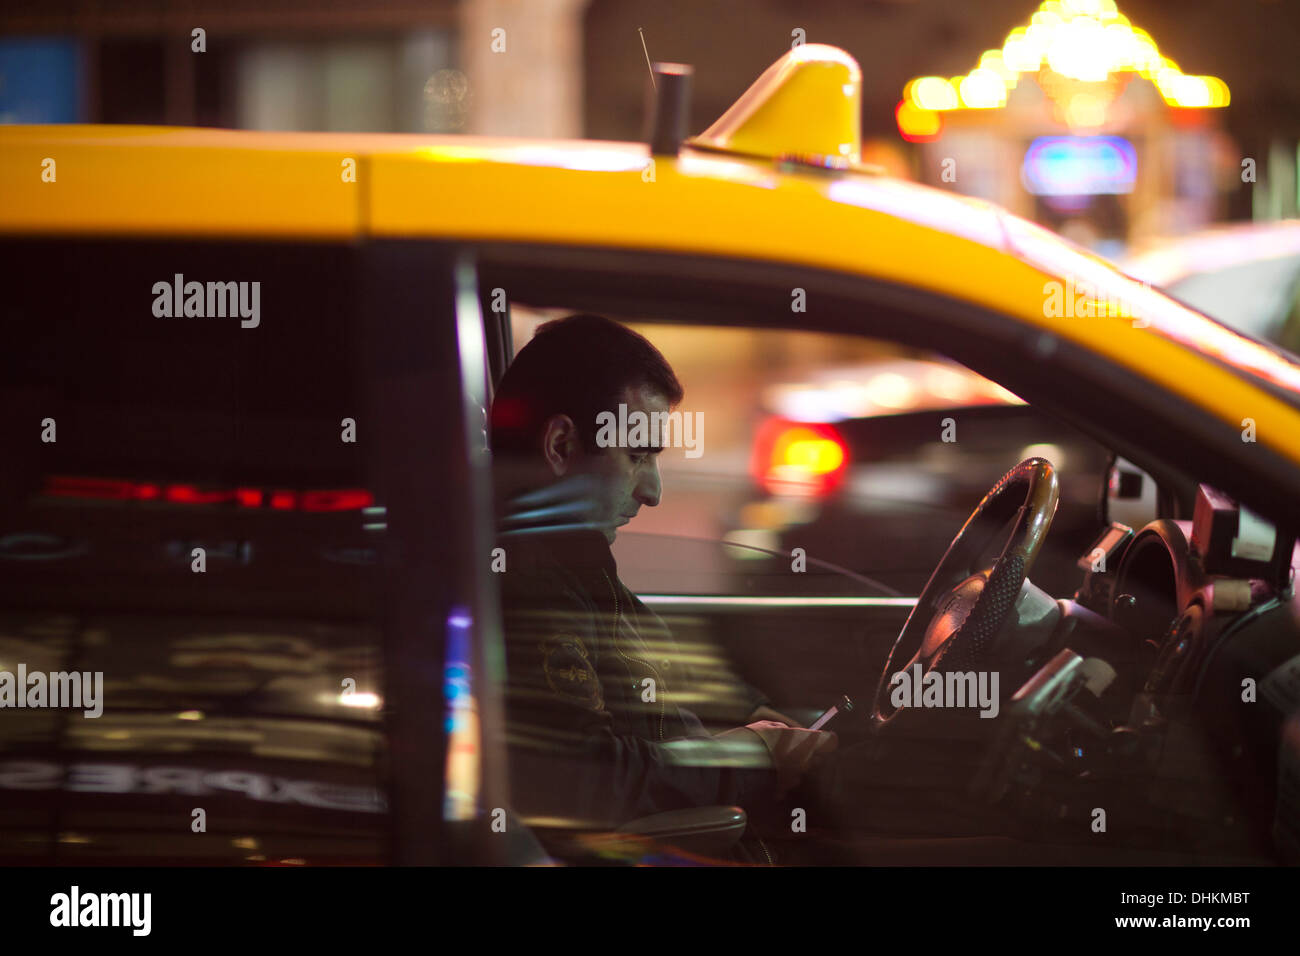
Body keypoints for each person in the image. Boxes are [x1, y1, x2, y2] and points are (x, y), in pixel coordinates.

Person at [490, 314, 838, 854]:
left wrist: (754, 719)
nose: (651, 491)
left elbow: (665, 669)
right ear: (560, 446)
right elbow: (586, 782)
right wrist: (747, 757)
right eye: (637, 456)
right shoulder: (525, 584)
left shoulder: (576, 563)